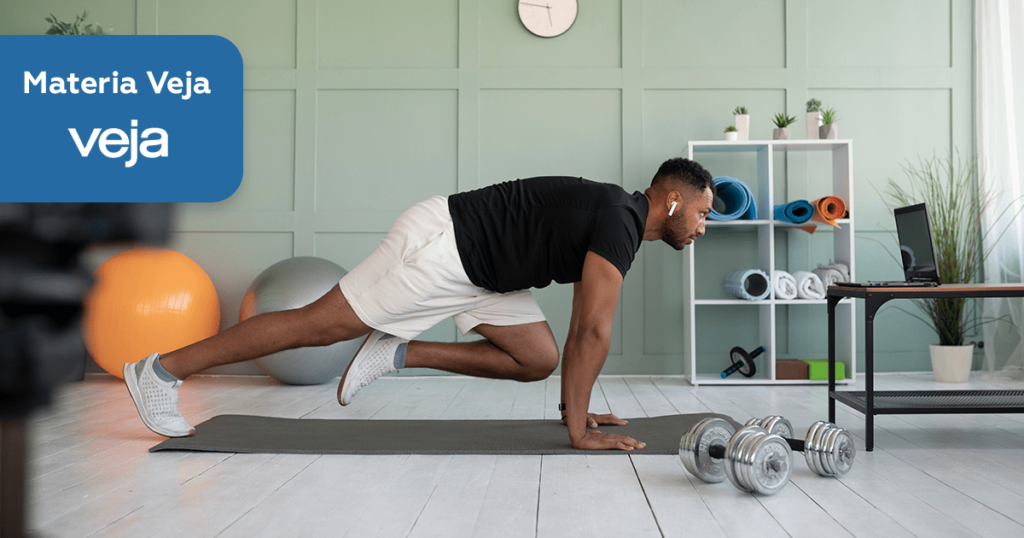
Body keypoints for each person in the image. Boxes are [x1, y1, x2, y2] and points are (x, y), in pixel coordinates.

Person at [123, 157, 714, 451]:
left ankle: (398, 352)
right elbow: (593, 333)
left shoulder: (619, 221)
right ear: (670, 199)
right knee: (320, 325)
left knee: (535, 356)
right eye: (703, 212)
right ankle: (160, 371)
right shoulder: (620, 218)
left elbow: (584, 325)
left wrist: (576, 414)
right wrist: (581, 433)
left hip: (488, 274)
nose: (703, 226)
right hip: (448, 246)